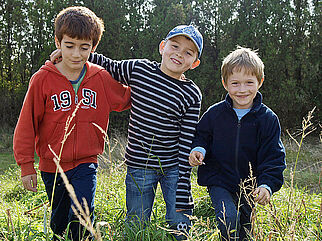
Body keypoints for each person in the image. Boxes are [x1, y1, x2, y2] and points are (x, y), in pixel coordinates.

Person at [13, 6, 130, 241]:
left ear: (93, 47)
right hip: (51, 166)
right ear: (58, 42)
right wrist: (26, 165)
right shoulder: (42, 79)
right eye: (69, 46)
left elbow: (128, 98)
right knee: (59, 219)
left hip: (87, 162)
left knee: (84, 213)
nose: (76, 54)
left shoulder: (100, 77)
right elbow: (27, 124)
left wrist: (160, 78)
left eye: (84, 47)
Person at [86, 25, 203, 240]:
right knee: (136, 223)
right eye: (174, 46)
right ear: (162, 47)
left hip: (173, 165)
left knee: (180, 222)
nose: (179, 54)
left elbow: (187, 136)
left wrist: (183, 179)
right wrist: (77, 53)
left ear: (194, 63)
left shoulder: (191, 93)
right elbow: (107, 65)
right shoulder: (139, 70)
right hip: (140, 163)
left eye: (188, 52)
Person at [189, 46, 286, 240]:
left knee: (246, 228)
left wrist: (266, 185)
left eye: (249, 82)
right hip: (219, 180)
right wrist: (198, 149)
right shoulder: (215, 114)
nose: (242, 90)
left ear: (260, 82)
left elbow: (273, 156)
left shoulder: (268, 119)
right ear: (225, 84)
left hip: (250, 185)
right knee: (228, 218)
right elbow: (201, 135)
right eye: (235, 83)